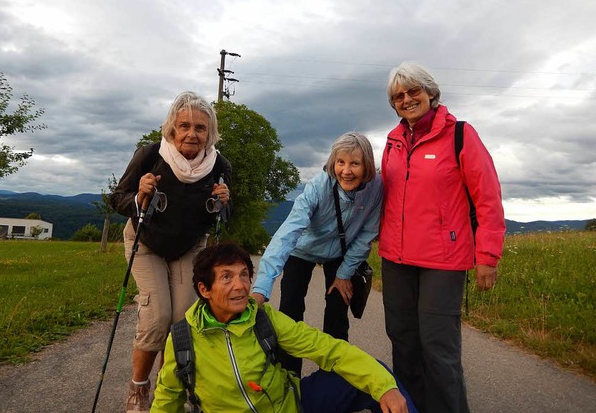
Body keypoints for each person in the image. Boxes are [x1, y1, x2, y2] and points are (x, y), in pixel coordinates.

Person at [151, 243, 415, 413]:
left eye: (244, 275)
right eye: (227, 277)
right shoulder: (183, 337)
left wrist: (384, 388)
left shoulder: (263, 318)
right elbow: (167, 399)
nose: (241, 286)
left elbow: (330, 349)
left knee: (376, 375)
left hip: (291, 404)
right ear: (204, 289)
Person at [379, 61, 506, 413]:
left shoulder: (461, 135)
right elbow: (382, 196)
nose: (406, 99)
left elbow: (488, 198)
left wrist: (488, 257)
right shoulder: (392, 141)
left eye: (413, 91)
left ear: (431, 93)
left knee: (439, 350)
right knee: (404, 346)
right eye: (398, 96)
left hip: (443, 262)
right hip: (396, 260)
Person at [111, 91, 232, 413]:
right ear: (172, 129)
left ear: (210, 133)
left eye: (200, 128)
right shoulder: (150, 155)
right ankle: (138, 388)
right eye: (185, 125)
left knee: (182, 320)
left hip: (189, 246)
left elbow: (222, 215)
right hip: (145, 242)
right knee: (157, 315)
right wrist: (139, 196)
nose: (192, 133)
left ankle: (170, 388)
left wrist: (223, 202)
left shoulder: (219, 164)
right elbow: (118, 198)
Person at [252, 132, 382, 377]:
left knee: (337, 311)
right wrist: (262, 287)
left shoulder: (376, 188)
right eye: (340, 162)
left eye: (355, 163)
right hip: (302, 249)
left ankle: (334, 379)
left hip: (341, 254)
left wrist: (344, 274)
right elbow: (288, 232)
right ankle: (288, 379)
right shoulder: (318, 186)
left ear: (367, 166)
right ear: (333, 162)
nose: (346, 170)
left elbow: (367, 233)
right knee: (290, 309)